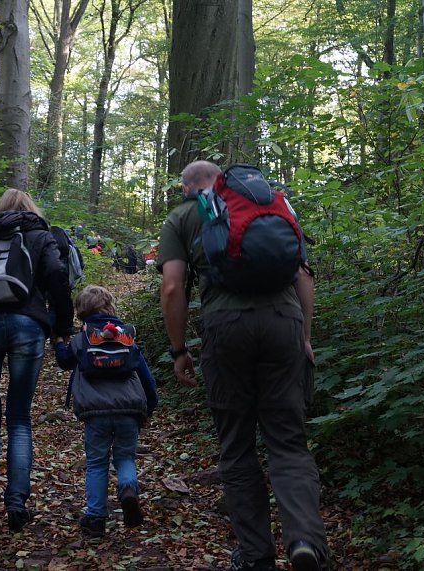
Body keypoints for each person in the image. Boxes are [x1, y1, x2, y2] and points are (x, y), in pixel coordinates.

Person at [157, 161, 329, 571]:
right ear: (223, 179)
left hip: (226, 327)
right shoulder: (276, 204)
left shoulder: (184, 215)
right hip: (284, 322)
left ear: (186, 187)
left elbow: (172, 287)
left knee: (236, 446)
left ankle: (256, 557)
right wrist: (304, 335)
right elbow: (303, 275)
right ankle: (305, 541)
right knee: (288, 440)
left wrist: (179, 349)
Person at [0, 188, 74, 531]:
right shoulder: (40, 234)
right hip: (28, 324)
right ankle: (17, 503)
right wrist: (62, 327)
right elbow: (57, 277)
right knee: (19, 416)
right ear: (31, 208)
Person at [53, 285, 158, 538]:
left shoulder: (82, 339)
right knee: (125, 457)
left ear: (80, 312)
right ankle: (128, 489)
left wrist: (59, 343)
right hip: (129, 409)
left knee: (97, 464)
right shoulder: (126, 337)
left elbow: (65, 362)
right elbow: (146, 378)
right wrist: (148, 409)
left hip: (95, 412)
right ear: (110, 306)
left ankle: (96, 518)